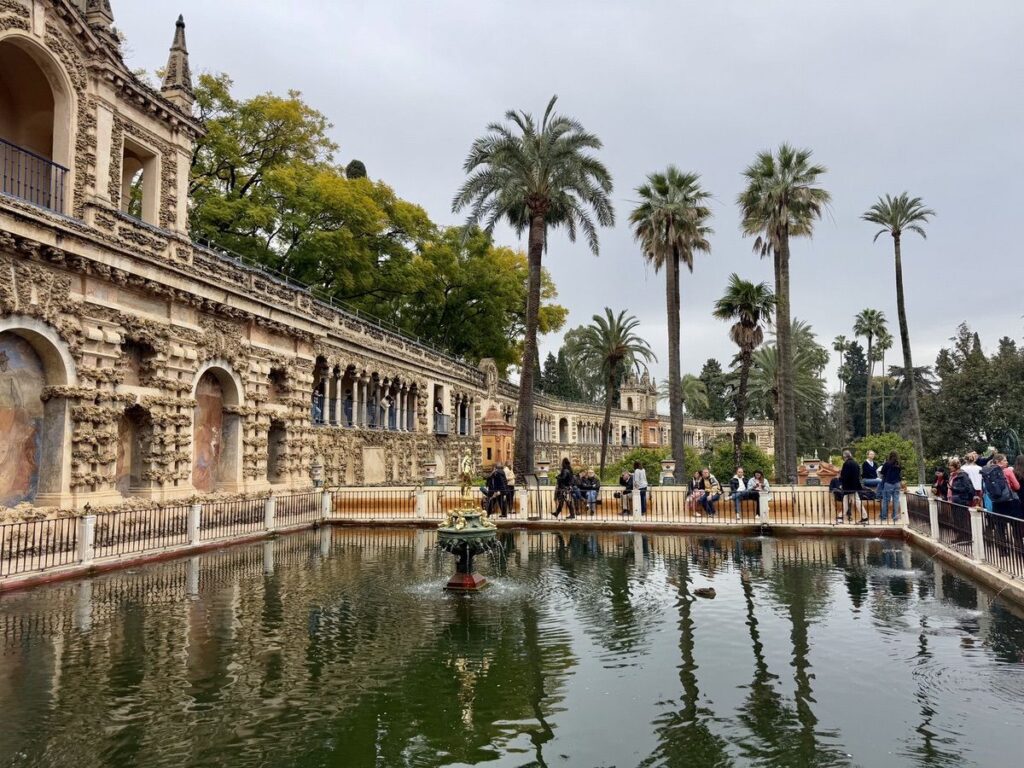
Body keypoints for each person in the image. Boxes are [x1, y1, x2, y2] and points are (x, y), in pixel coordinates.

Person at [981, 453, 1021, 518]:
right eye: (1005, 460)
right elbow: (1017, 486)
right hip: (1009, 500)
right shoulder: (1008, 471)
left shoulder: (987, 471)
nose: (1007, 462)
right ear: (998, 462)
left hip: (995, 500)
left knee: (1000, 524)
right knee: (1015, 523)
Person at [840, 450, 867, 524]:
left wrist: (842, 484)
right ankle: (840, 516)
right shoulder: (855, 463)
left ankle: (865, 517)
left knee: (855, 501)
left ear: (845, 457)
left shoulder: (846, 464)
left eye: (843, 457)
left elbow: (845, 476)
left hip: (848, 487)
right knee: (846, 501)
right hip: (854, 486)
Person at [878, 450, 903, 522]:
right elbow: (900, 473)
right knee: (896, 500)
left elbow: (882, 472)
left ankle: (884, 516)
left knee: (886, 500)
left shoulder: (887, 463)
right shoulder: (899, 463)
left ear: (890, 455)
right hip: (897, 483)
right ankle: (895, 517)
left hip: (888, 483)